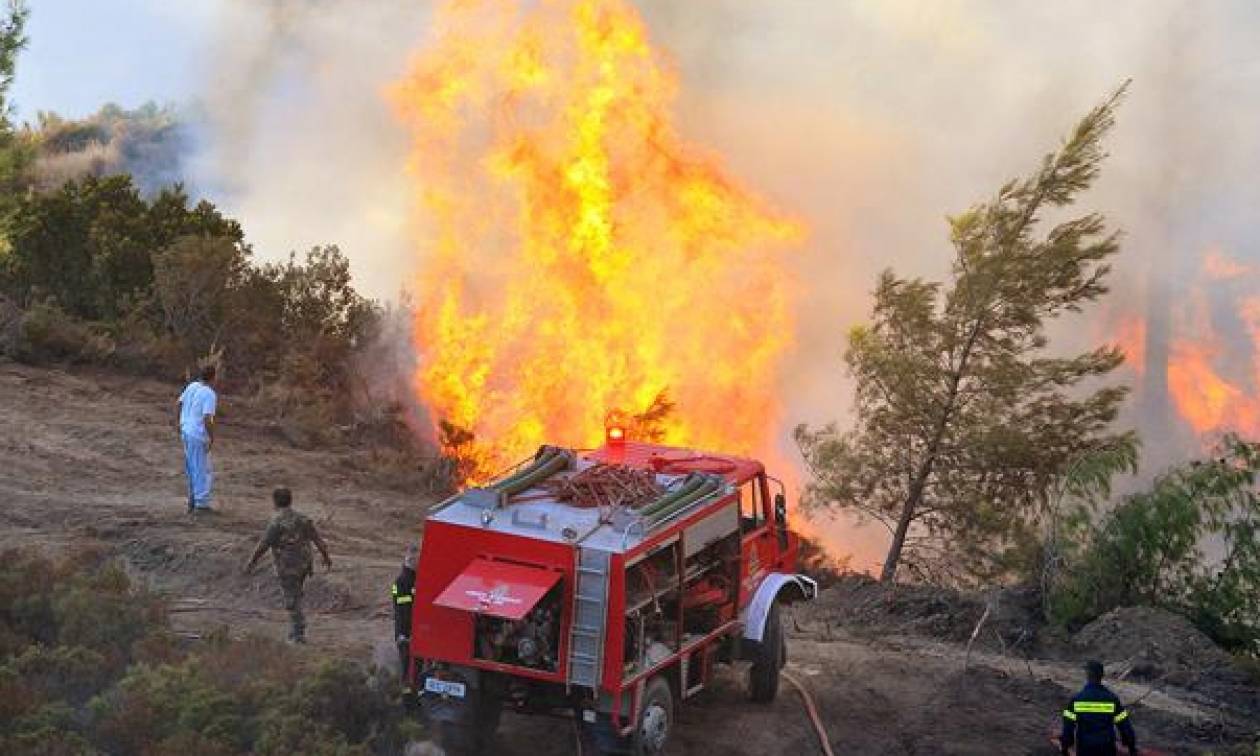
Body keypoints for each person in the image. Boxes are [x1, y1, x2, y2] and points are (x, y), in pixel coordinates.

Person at [242, 488, 332, 644]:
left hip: (288, 565)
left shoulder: (277, 522)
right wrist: (326, 557)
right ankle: (296, 629)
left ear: (275, 501)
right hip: (304, 564)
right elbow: (317, 539)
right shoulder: (303, 518)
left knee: (292, 599)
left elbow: (263, 544)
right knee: (296, 594)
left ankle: (298, 634)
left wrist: (251, 562)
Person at [1061, 660, 1138, 756]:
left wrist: (1065, 746)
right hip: (1106, 747)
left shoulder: (1078, 699)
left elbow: (1068, 726)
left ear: (1087, 676)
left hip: (1085, 748)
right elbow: (1124, 726)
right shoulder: (1112, 699)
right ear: (1101, 676)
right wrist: (1131, 747)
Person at [176, 365, 218, 512]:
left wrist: (179, 423)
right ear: (213, 377)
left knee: (191, 466)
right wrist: (211, 436)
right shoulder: (209, 394)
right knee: (202, 468)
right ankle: (201, 504)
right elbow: (207, 418)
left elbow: (179, 403)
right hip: (197, 434)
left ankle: (192, 498)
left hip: (186, 430)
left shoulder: (192, 386)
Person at [392, 544, 418, 699]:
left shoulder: (414, 579)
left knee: (415, 666)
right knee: (407, 665)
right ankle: (406, 699)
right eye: (416, 560)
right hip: (406, 632)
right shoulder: (403, 582)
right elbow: (402, 610)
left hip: (413, 630)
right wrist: (404, 633)